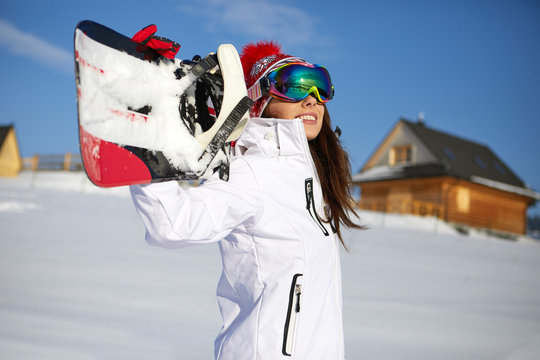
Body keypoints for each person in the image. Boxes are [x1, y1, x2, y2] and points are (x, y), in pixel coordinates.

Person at [130, 40, 363, 359]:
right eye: (294, 85)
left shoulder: (311, 183)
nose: (312, 99)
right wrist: (148, 133)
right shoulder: (253, 173)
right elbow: (173, 224)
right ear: (259, 102)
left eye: (320, 86)